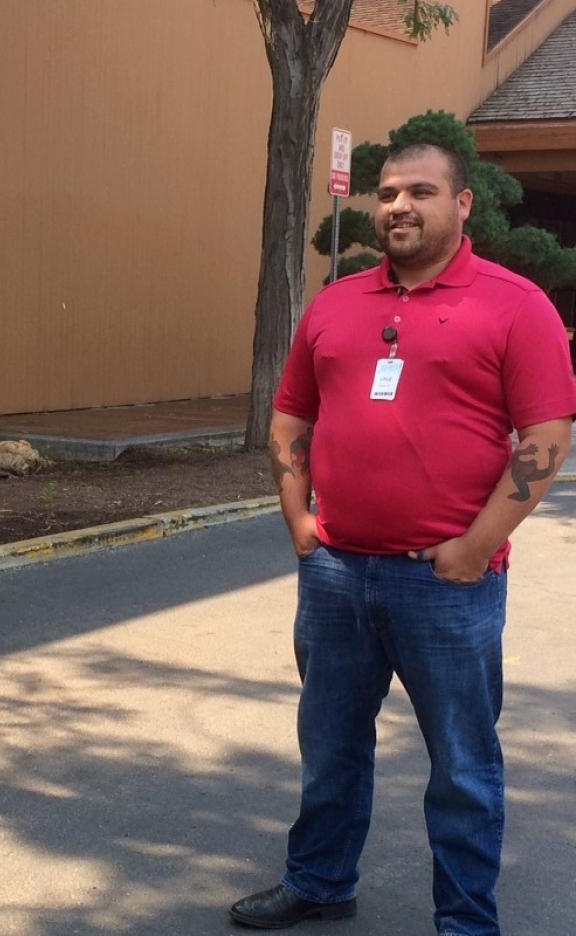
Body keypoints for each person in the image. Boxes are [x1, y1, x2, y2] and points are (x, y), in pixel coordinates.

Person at [230, 142, 576, 935]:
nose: (398, 206)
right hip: (337, 574)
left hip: (447, 583)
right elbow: (291, 417)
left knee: (462, 766)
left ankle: (464, 920)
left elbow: (546, 437)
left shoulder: (515, 304)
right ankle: (319, 880)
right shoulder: (337, 303)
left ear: (462, 205)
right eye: (387, 192)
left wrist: (474, 547)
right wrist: (298, 518)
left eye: (422, 191)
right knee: (331, 748)